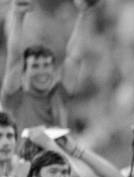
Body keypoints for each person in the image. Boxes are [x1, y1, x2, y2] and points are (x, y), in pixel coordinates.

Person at [1, 0, 96, 130]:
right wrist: (18, 17)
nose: (42, 72)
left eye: (46, 66)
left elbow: (75, 58)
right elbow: (14, 57)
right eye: (35, 66)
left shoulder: (58, 96)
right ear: (24, 72)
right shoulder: (15, 100)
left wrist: (84, 13)